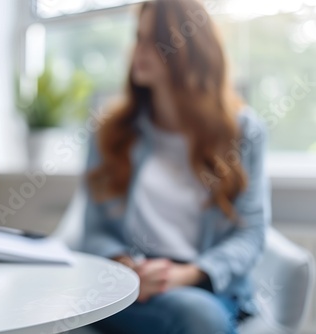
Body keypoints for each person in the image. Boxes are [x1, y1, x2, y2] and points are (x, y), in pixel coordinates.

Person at [81, 0, 271, 333]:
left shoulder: (244, 131)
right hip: (127, 283)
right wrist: (125, 266)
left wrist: (187, 274)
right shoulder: (110, 132)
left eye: (154, 40)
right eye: (138, 37)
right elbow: (94, 230)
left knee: (200, 317)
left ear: (192, 49)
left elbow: (250, 233)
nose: (139, 50)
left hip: (201, 285)